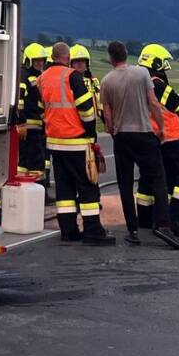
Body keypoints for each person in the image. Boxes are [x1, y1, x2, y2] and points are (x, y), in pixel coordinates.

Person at [99, 41, 179, 249]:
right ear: (126, 54)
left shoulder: (106, 81)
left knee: (125, 185)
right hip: (144, 133)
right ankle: (163, 225)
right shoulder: (142, 74)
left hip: (122, 136)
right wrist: (161, 127)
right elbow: (153, 103)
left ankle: (133, 232)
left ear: (111, 58)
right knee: (158, 178)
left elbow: (107, 112)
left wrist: (112, 130)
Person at [39, 41, 115, 245]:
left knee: (64, 189)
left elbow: (40, 108)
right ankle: (93, 231)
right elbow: (87, 110)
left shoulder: (43, 77)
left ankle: (68, 231)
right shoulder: (72, 76)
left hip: (55, 143)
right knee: (88, 186)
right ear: (68, 58)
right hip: (77, 141)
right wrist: (90, 133)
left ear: (52, 56)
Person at [141, 45, 179, 234]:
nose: (165, 67)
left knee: (159, 179)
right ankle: (176, 219)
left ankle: (149, 219)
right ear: (156, 63)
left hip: (153, 138)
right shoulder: (156, 84)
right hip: (170, 138)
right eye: (163, 63)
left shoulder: (139, 83)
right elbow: (178, 103)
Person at [16, 42, 49, 182]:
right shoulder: (24, 76)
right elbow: (19, 100)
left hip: (37, 127)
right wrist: (21, 122)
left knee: (25, 162)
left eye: (42, 60)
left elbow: (41, 103)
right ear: (28, 60)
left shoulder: (38, 77)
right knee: (35, 162)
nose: (40, 63)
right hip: (29, 128)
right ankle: (38, 187)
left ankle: (24, 186)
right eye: (37, 60)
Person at [69, 43, 103, 122]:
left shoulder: (93, 81)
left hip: (91, 122)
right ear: (70, 63)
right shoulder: (66, 81)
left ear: (87, 63)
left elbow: (100, 102)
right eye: (76, 61)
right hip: (73, 123)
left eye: (83, 61)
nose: (80, 63)